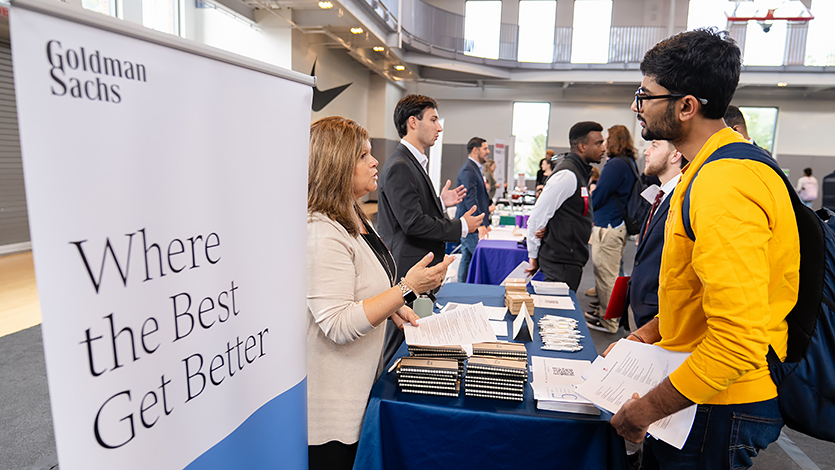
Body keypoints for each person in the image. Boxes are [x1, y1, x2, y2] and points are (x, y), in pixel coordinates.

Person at [609, 28, 799, 470]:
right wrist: (647, 333)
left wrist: (645, 410)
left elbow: (736, 340)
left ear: (686, 106)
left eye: (646, 95)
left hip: (717, 403)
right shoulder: (712, 167)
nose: (638, 106)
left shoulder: (724, 183)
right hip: (702, 390)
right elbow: (694, 291)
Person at [306, 116, 454, 470]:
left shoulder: (353, 217)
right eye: (363, 156)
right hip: (332, 409)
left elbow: (361, 288)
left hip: (360, 388)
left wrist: (392, 307)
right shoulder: (320, 232)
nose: (375, 162)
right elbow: (339, 324)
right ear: (336, 165)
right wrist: (407, 289)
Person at [377, 94, 484, 364]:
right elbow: (412, 223)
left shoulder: (412, 162)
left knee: (411, 341)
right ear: (413, 122)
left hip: (417, 268)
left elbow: (411, 210)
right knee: (398, 343)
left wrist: (439, 203)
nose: (440, 127)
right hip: (407, 270)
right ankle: (381, 401)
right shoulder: (400, 165)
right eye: (434, 119)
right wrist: (461, 225)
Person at [525, 122, 605, 292]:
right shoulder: (567, 175)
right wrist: (533, 256)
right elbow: (537, 218)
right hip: (560, 262)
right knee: (555, 315)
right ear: (582, 147)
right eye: (598, 143)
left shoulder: (580, 172)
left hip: (569, 260)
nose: (603, 148)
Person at [586, 124, 639, 334]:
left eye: (606, 139)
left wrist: (588, 202)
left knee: (606, 275)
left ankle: (609, 322)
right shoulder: (629, 163)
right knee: (610, 274)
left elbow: (600, 195)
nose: (604, 144)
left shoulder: (616, 165)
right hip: (617, 224)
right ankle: (603, 312)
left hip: (609, 225)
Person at [627, 140, 685, 330]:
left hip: (659, 311)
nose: (646, 152)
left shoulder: (683, 197)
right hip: (643, 302)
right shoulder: (663, 193)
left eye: (655, 145)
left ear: (675, 155)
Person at [455, 137, 493, 282]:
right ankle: (465, 287)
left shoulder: (474, 168)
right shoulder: (468, 170)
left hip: (471, 222)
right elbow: (470, 199)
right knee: (475, 256)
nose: (488, 152)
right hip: (471, 222)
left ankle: (462, 286)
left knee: (467, 256)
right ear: (475, 150)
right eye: (485, 148)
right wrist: (480, 224)